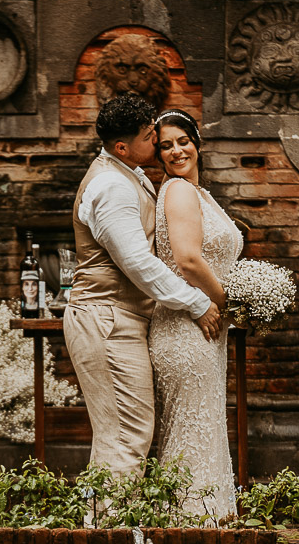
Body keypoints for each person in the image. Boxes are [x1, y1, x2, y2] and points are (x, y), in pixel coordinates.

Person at [64, 92, 222, 477]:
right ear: (122, 146)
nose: (158, 141)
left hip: (121, 319)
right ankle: (105, 534)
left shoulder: (126, 173)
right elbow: (136, 262)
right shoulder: (111, 187)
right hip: (107, 320)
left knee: (126, 438)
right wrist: (196, 302)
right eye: (150, 136)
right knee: (125, 439)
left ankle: (110, 530)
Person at [149, 109, 244, 520]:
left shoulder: (196, 192)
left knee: (198, 430)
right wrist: (228, 303)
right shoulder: (179, 191)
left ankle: (194, 523)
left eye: (182, 141)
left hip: (201, 328)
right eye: (165, 145)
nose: (176, 150)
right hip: (190, 328)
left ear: (197, 141)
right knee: (192, 432)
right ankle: (190, 525)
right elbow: (187, 260)